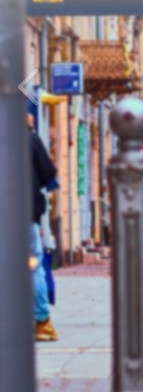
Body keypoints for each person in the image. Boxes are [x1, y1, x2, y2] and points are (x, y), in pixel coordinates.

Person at [30, 120, 59, 341]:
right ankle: (41, 322)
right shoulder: (29, 138)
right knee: (33, 266)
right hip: (24, 215)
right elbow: (49, 174)